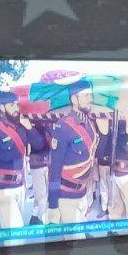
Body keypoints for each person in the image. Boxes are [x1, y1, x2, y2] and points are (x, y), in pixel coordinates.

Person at [48, 78, 102, 230]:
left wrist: (104, 132)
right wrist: (53, 205)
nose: (90, 99)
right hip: (67, 197)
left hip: (83, 193)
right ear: (74, 99)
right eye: (85, 95)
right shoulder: (63, 126)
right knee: (74, 239)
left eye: (90, 95)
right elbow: (54, 169)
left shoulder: (90, 123)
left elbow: (92, 154)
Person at [0, 87, 30, 231]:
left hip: (21, 187)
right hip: (4, 189)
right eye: (11, 105)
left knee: (19, 232)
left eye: (17, 104)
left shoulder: (20, 127)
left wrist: (30, 128)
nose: (16, 108)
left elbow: (39, 144)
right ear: (2, 108)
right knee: (15, 234)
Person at [21, 103, 51, 224]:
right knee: (41, 196)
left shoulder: (46, 122)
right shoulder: (29, 124)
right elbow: (38, 144)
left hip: (47, 162)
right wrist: (30, 128)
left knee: (43, 195)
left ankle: (34, 217)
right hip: (37, 165)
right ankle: (41, 220)